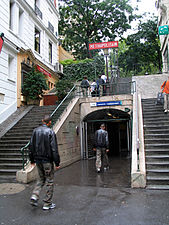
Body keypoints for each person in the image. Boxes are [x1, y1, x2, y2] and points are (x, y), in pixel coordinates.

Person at [29, 115, 60, 210]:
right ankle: (47, 203)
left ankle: (35, 195)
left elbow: (31, 146)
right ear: (49, 122)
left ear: (43, 121)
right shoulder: (50, 132)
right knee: (49, 181)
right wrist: (57, 163)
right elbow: (54, 149)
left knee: (41, 178)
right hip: (47, 161)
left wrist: (32, 159)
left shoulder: (35, 131)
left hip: (38, 160)